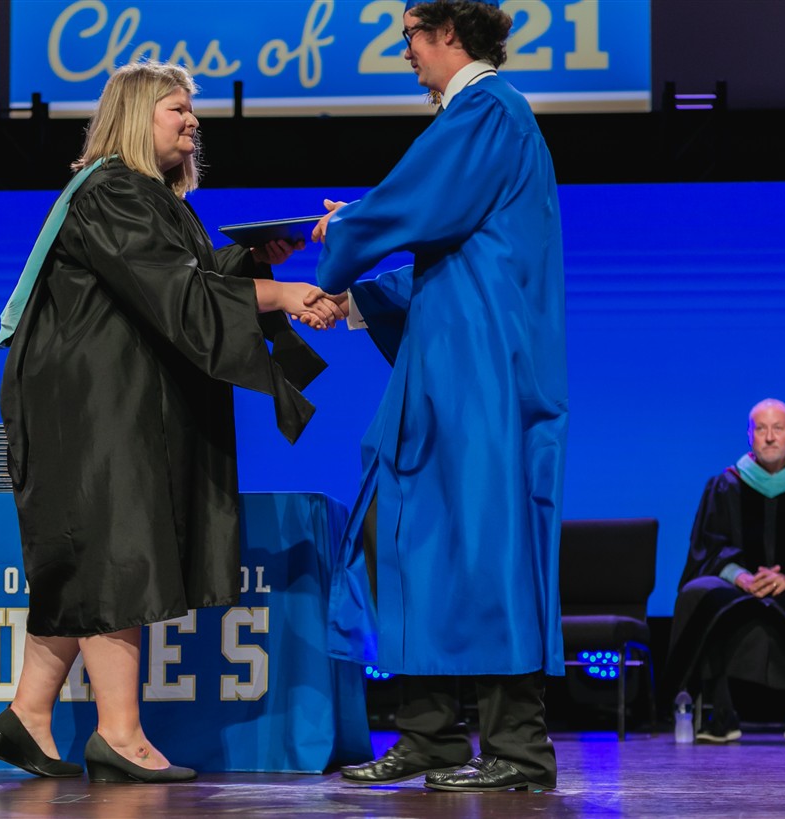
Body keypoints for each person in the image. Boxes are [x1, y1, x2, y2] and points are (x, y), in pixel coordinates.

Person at [0, 60, 342, 783]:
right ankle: (120, 734)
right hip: (92, 405)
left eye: (191, 110)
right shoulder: (113, 191)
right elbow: (175, 292)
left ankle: (27, 714)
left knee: (84, 560)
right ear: (136, 115)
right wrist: (279, 293)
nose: (192, 120)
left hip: (108, 398)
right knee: (113, 555)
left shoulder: (143, 195)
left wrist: (253, 260)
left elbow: (185, 275)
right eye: (177, 108)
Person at [310, 0, 568, 793]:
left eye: (411, 39)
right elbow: (449, 259)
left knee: (488, 550)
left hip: (483, 377)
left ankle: (519, 747)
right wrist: (354, 300)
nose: (407, 55)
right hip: (447, 369)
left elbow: (411, 203)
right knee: (413, 542)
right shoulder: (488, 120)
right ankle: (429, 735)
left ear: (448, 34)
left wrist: (347, 231)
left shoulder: (488, 110)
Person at [666, 399, 785, 744]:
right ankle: (719, 712)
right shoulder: (726, 483)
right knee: (697, 594)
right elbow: (710, 545)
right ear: (750, 436)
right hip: (740, 581)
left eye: (778, 428)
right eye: (760, 429)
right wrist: (740, 577)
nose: (770, 437)